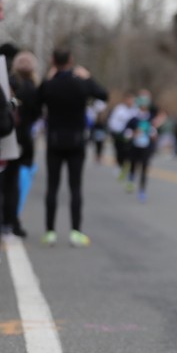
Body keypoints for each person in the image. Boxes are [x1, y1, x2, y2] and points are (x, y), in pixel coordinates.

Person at [37, 48, 108, 247]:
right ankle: (75, 232)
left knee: (52, 186)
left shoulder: (50, 85)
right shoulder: (81, 84)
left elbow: (35, 101)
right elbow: (103, 95)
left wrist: (48, 78)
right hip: (77, 141)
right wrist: (88, 77)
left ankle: (50, 232)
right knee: (75, 187)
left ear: (53, 61)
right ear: (71, 60)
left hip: (54, 141)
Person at [2, 51, 42, 237]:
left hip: (7, 136)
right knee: (14, 182)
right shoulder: (34, 88)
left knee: (5, 180)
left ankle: (6, 219)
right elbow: (37, 113)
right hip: (23, 139)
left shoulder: (9, 83)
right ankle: (12, 220)